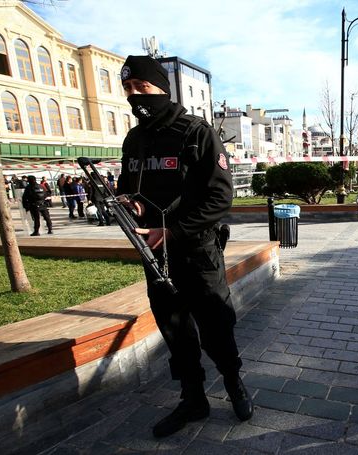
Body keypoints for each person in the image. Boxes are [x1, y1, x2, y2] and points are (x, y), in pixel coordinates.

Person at [116, 55, 252, 438]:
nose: (135, 95)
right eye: (128, 88)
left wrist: (172, 231)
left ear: (162, 88)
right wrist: (132, 203)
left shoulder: (196, 132)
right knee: (175, 331)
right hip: (155, 255)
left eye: (142, 87)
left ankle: (233, 383)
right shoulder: (134, 138)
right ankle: (193, 400)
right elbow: (128, 187)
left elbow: (219, 199)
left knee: (216, 326)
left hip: (197, 251)